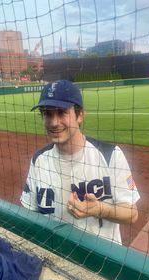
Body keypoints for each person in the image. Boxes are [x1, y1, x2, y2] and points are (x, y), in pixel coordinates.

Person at [21, 80, 139, 244]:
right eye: (47, 113)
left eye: (62, 112)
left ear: (80, 115)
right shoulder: (39, 160)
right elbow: (30, 213)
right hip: (55, 257)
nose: (54, 122)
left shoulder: (110, 155)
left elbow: (132, 214)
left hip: (102, 258)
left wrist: (100, 209)